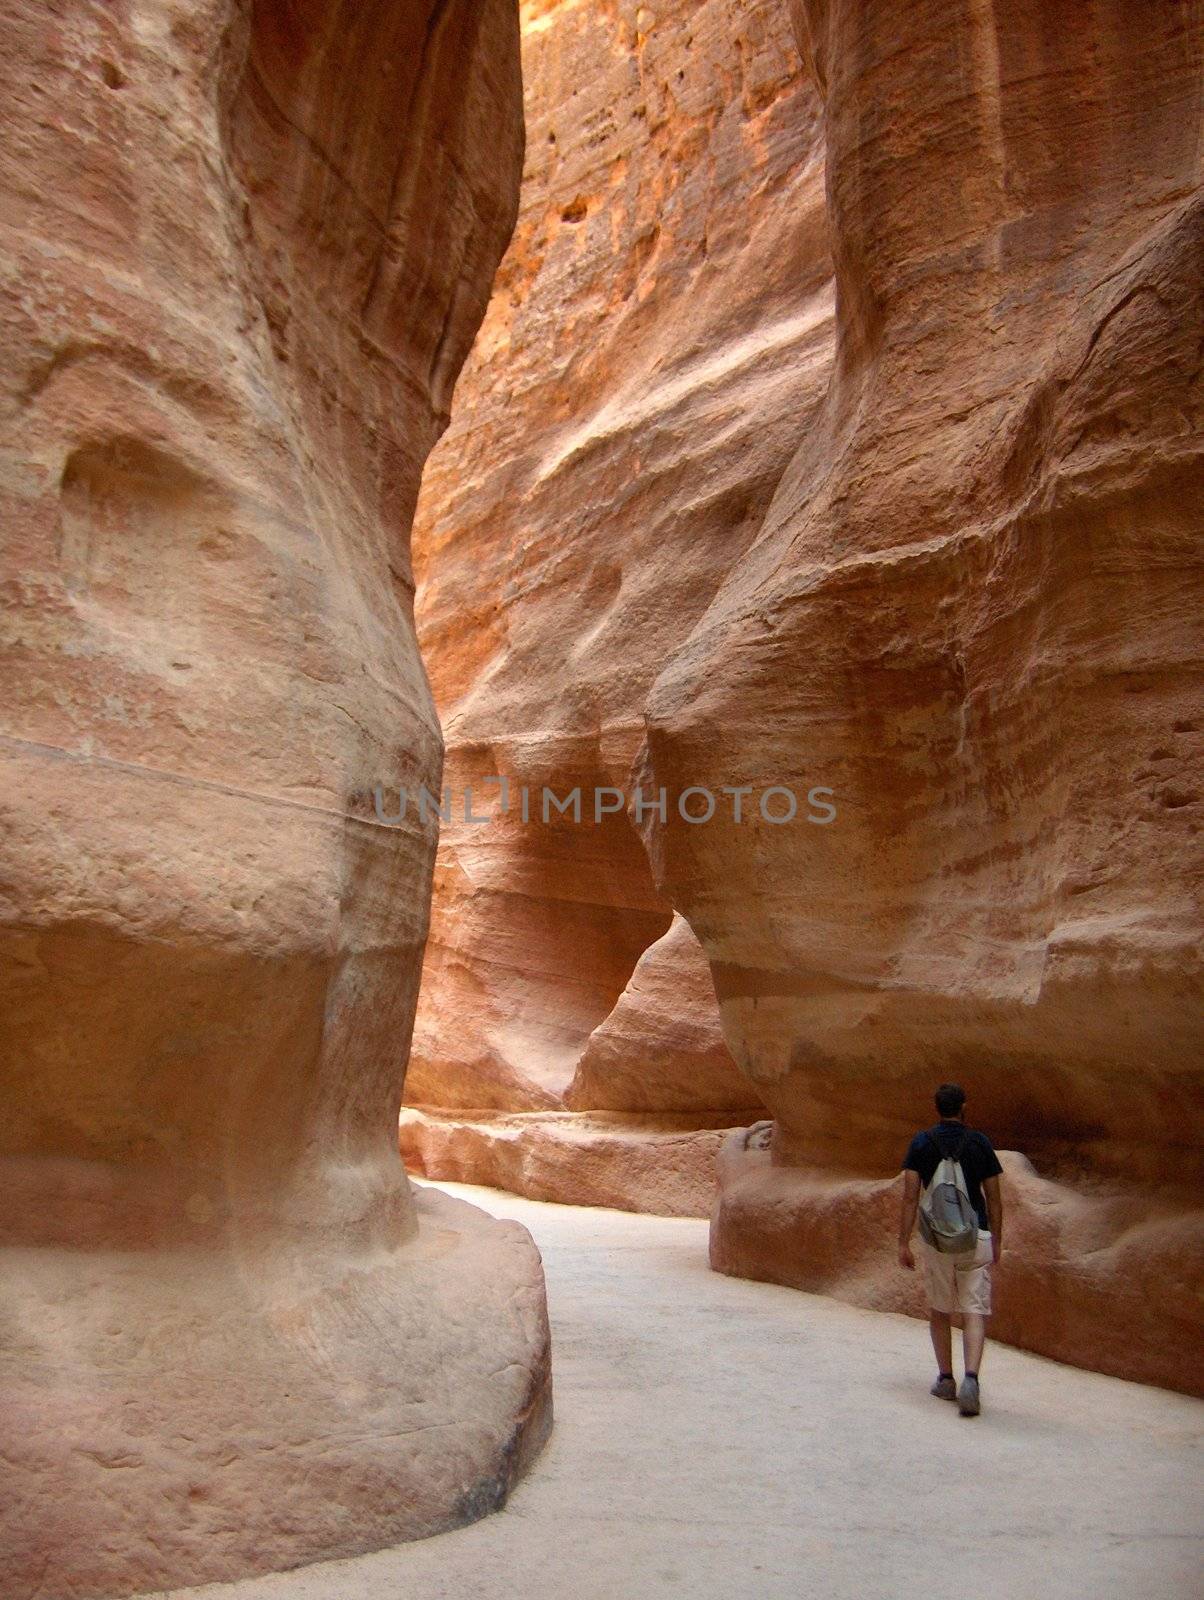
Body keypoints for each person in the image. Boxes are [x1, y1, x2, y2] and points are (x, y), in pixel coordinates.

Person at [897, 1083, 1003, 1416]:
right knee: (974, 1310)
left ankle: (946, 1379)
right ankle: (971, 1378)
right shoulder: (980, 1143)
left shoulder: (921, 1143)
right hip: (976, 1236)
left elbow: (911, 1195)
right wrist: (996, 1239)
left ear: (937, 1108)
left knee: (941, 1309)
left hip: (938, 1240)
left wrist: (903, 1242)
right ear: (964, 1107)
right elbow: (995, 1197)